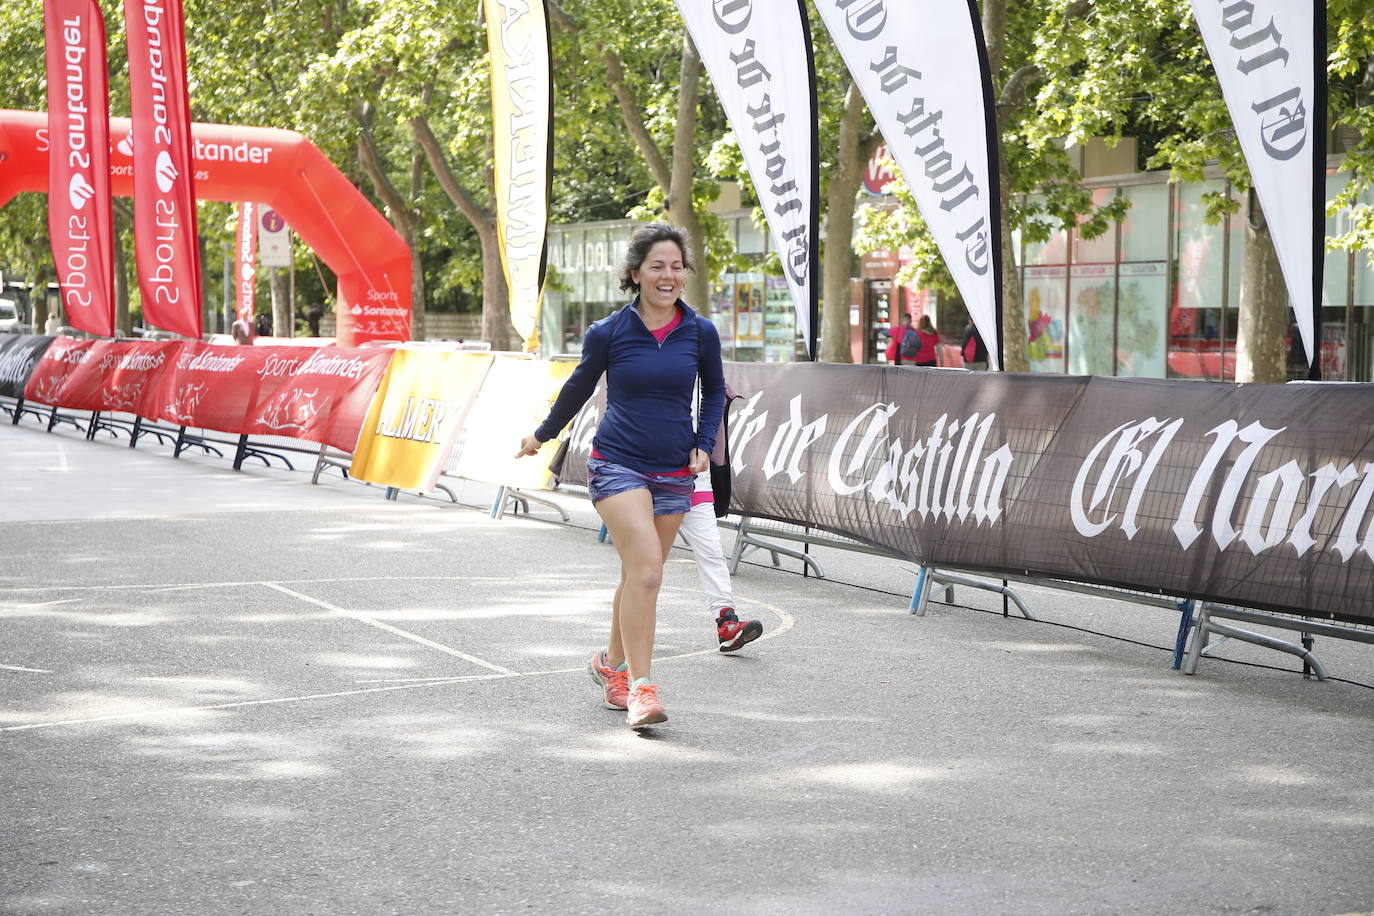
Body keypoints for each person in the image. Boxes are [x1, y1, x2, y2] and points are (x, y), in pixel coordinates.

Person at [516, 223, 724, 729]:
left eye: (676, 266)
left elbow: (715, 391)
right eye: (658, 266)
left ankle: (609, 666)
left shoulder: (700, 332)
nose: (668, 275)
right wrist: (541, 434)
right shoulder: (609, 332)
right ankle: (642, 688)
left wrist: (703, 441)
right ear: (635, 274)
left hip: (675, 469)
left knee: (637, 575)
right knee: (649, 571)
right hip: (617, 464)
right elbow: (577, 388)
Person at [679, 472, 763, 653]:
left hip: (695, 480)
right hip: (650, 476)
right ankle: (622, 643)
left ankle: (727, 623)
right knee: (647, 566)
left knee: (712, 553)